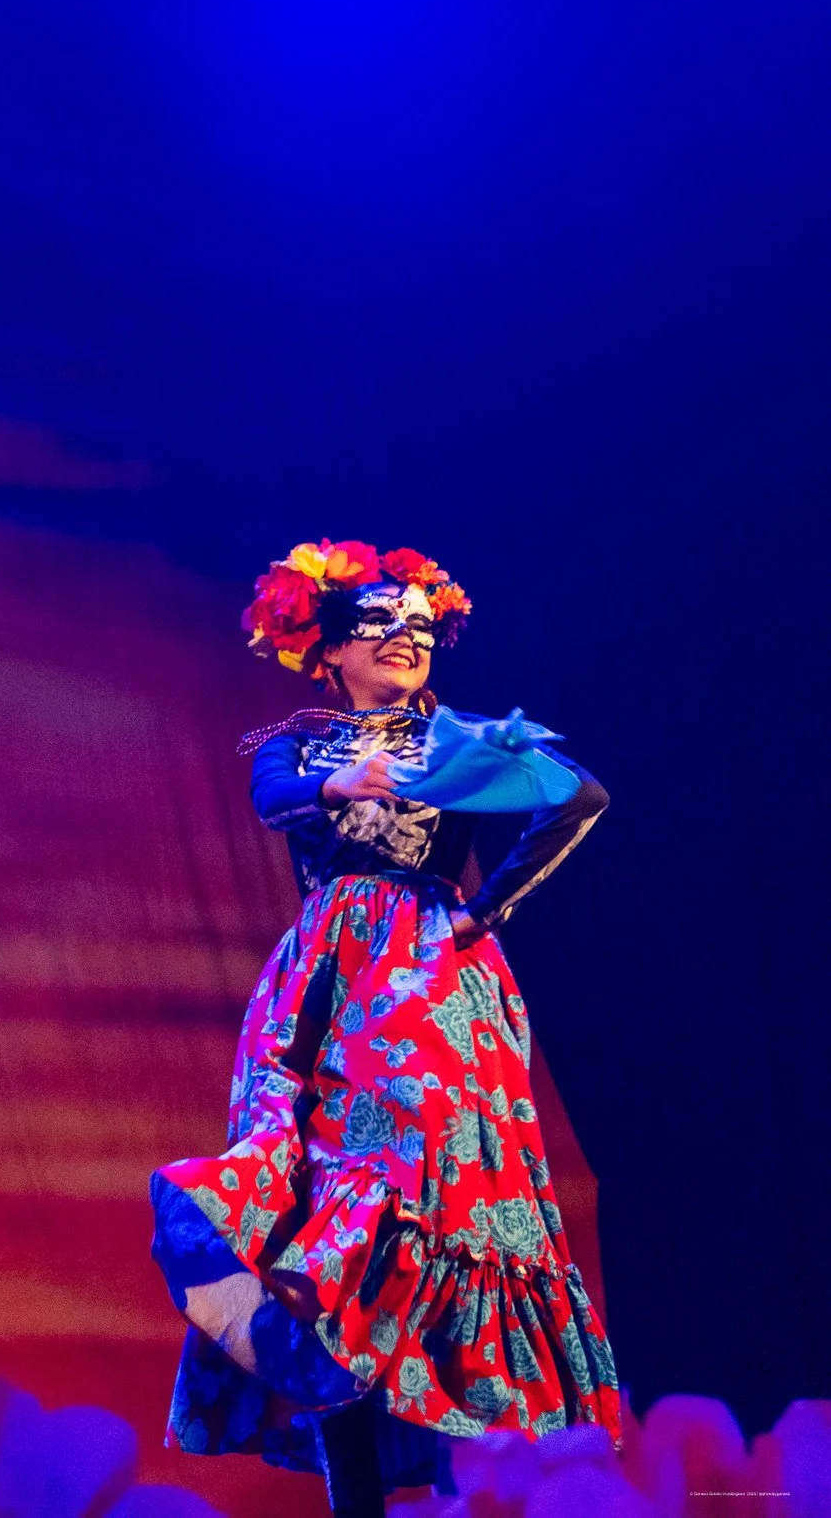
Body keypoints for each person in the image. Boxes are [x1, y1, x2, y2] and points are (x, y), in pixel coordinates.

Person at [149, 541, 622, 1517]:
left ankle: (469, 1486)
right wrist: (337, 786)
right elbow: (273, 798)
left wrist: (489, 906)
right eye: (378, 628)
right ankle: (354, 1498)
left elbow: (578, 796)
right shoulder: (298, 743)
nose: (404, 642)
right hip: (316, 997)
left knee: (438, 1218)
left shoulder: (463, 738)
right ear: (327, 653)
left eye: (419, 628)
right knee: (325, 1239)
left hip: (432, 986)